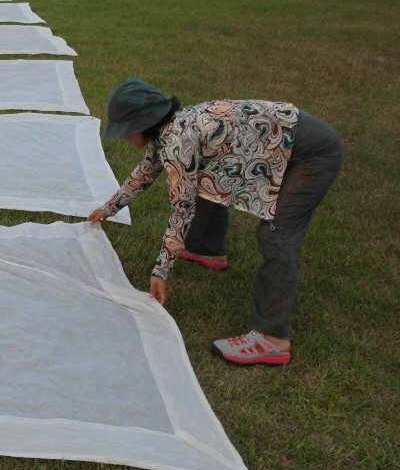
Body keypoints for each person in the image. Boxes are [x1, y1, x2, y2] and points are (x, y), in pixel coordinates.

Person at [87, 79, 343, 367]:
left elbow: (181, 210)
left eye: (125, 130)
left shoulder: (179, 141)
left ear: (145, 123)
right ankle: (206, 248)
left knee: (277, 235)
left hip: (312, 154)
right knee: (208, 179)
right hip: (294, 137)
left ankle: (273, 339)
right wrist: (109, 208)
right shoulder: (170, 128)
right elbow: (147, 170)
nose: (122, 137)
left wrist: (161, 271)